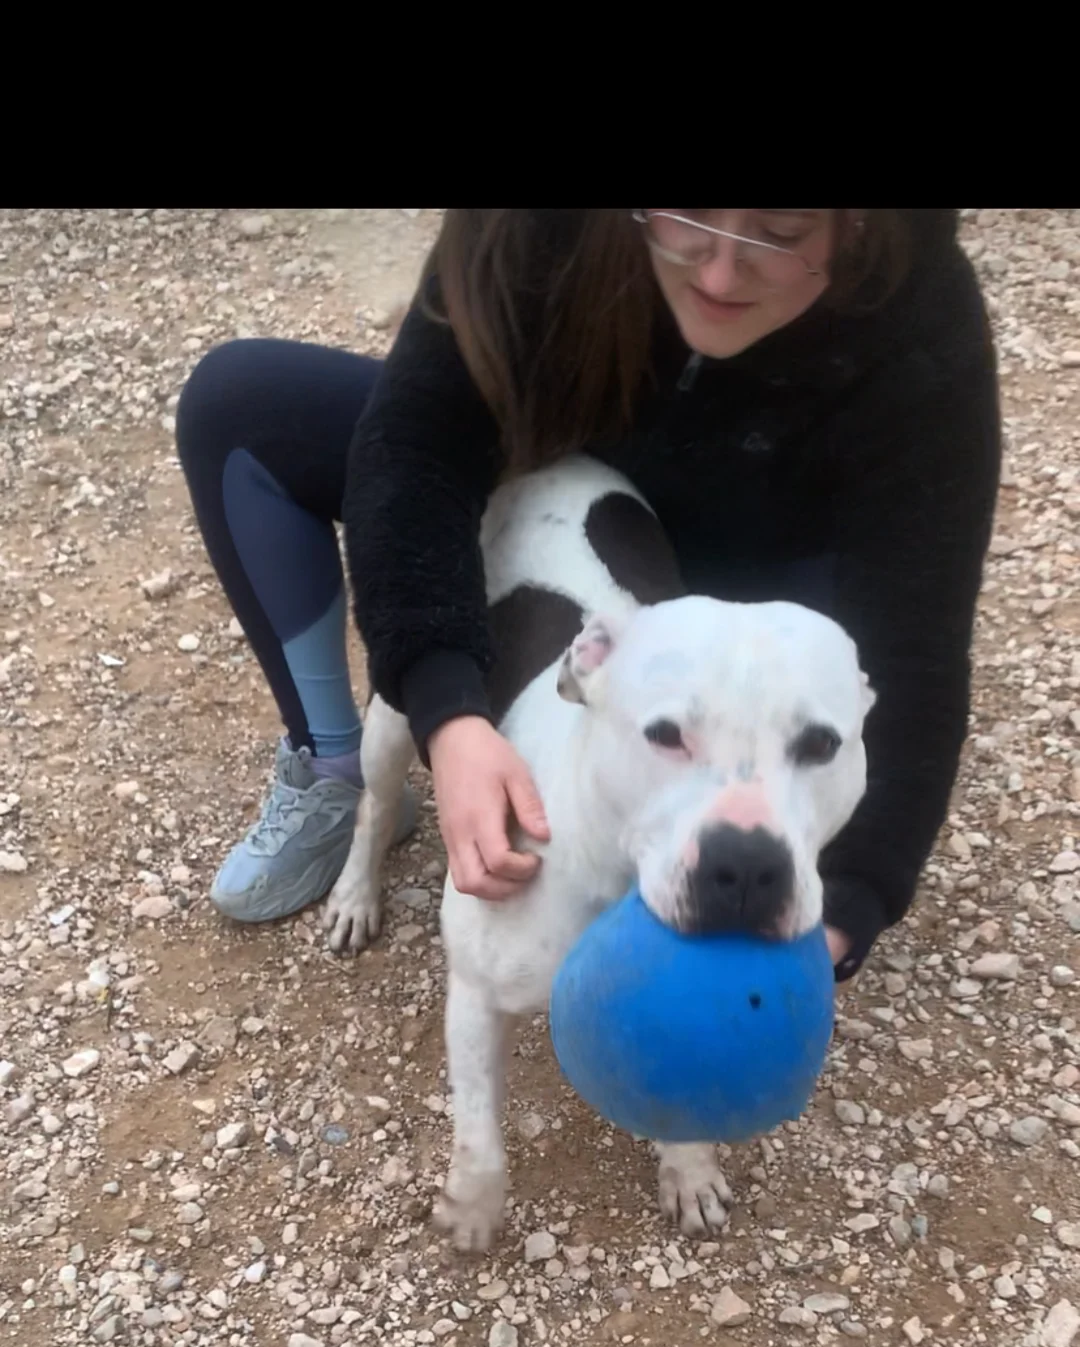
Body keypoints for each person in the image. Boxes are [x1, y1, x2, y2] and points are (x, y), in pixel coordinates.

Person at [176, 208, 1000, 978]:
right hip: (546, 473)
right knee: (240, 406)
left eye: (780, 229)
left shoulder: (917, 305)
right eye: (686, 216)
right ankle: (338, 767)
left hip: (739, 573)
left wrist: (853, 897)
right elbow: (418, 439)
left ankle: (746, 799)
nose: (719, 274)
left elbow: (916, 641)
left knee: (829, 671)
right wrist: (445, 709)